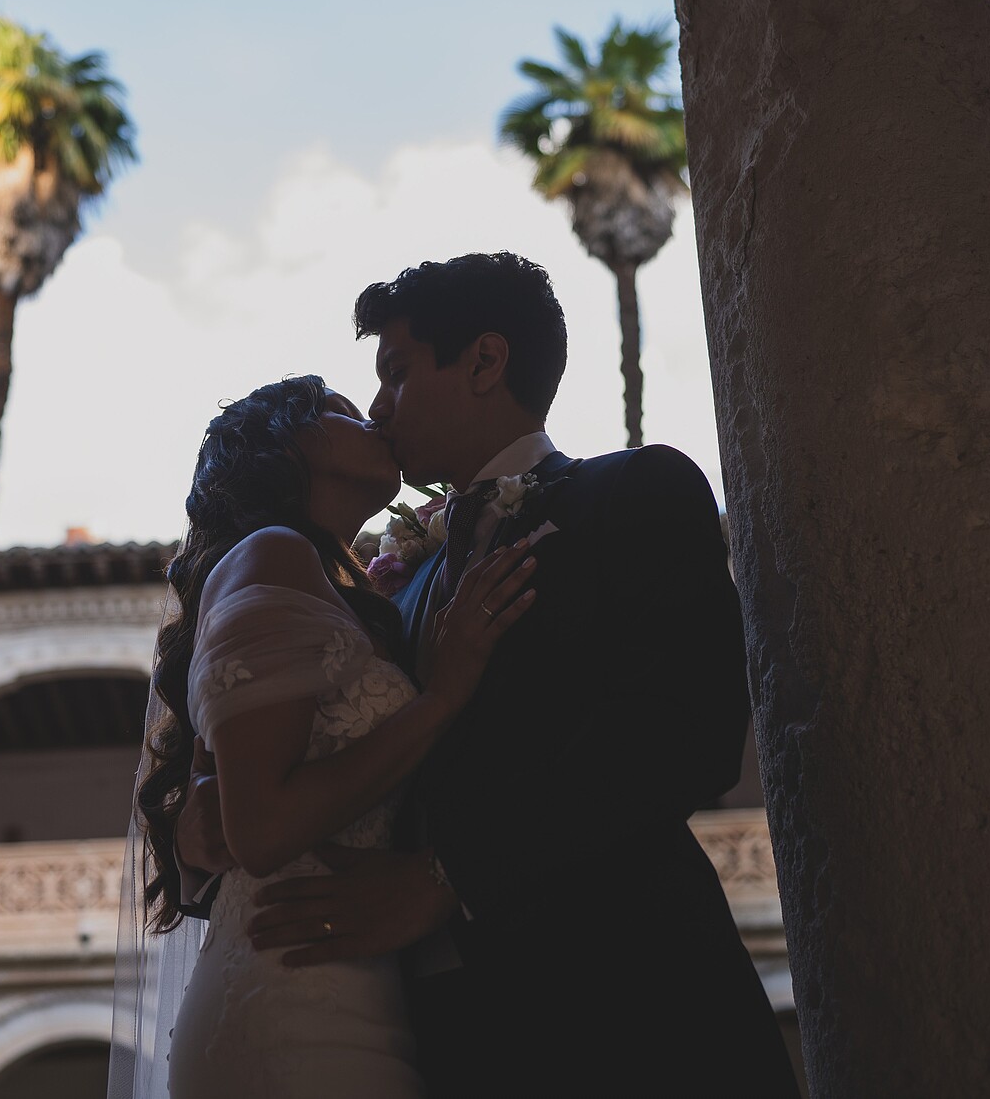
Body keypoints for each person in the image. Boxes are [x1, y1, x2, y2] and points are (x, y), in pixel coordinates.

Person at [174, 253, 799, 1097]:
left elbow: (689, 732)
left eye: (395, 372)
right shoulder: (389, 592)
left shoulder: (629, 495)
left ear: (484, 361)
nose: (380, 407)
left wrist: (451, 878)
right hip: (443, 1041)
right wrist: (203, 815)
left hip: (628, 1004)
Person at [117, 374, 537, 1098]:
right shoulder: (272, 552)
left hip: (352, 983)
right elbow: (264, 828)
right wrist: (440, 698)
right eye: (342, 411)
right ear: (290, 444)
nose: (376, 416)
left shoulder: (339, 587)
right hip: (292, 1000)